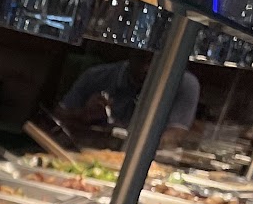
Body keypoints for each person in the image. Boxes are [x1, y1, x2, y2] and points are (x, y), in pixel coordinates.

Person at [56, 54, 200, 147]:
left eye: (154, 61)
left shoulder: (184, 84)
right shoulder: (96, 76)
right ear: (131, 52)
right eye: (142, 59)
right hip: (87, 150)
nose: (146, 68)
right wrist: (83, 114)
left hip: (149, 161)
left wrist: (136, 143)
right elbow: (57, 117)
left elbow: (176, 134)